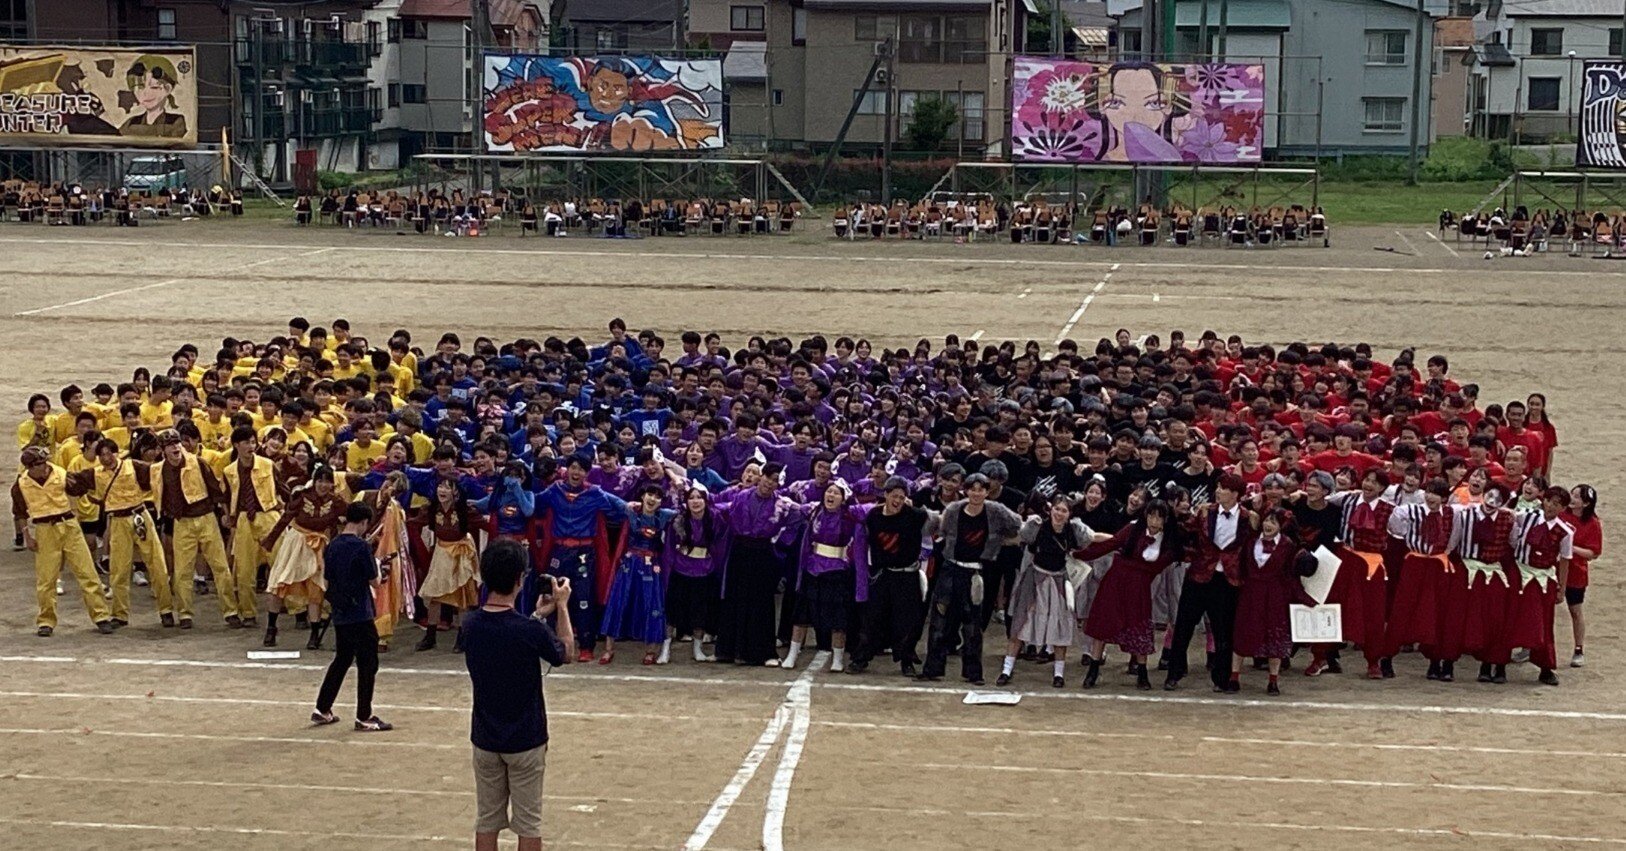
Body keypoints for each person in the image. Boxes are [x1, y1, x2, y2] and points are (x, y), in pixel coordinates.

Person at [463, 539, 573, 851]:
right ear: (519, 579)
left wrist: (538, 618)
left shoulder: (470, 625)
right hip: (526, 737)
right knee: (528, 823)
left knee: (487, 820)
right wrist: (561, 608)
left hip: (485, 735)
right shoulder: (527, 630)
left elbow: (509, 638)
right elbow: (566, 652)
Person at [918, 473, 1023, 686]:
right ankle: (932, 669)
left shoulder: (996, 511)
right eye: (972, 489)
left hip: (977, 573)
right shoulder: (954, 510)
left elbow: (1017, 525)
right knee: (939, 621)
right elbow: (939, 529)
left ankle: (973, 673)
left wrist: (1001, 541)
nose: (976, 493)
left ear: (986, 491)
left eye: (981, 489)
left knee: (973, 626)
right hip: (950, 569)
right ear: (966, 490)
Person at [12, 447, 114, 636]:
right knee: (46, 579)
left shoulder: (60, 473)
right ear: (29, 467)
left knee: (87, 573)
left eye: (44, 462)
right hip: (44, 529)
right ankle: (46, 621)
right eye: (38, 465)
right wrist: (27, 536)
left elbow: (78, 488)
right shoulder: (21, 484)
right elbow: (19, 512)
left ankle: (101, 616)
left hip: (68, 525)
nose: (44, 467)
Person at [999, 496, 1099, 688]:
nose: (1059, 514)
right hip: (1034, 579)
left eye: (1064, 511)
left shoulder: (1074, 531)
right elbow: (1017, 536)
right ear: (1050, 509)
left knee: (1061, 626)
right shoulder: (1036, 527)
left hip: (1060, 581)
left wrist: (1121, 539)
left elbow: (1094, 538)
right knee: (1020, 624)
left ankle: (1059, 673)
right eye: (1057, 509)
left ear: (1069, 514)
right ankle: (1006, 669)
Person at [311, 501, 393, 731]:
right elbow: (374, 581)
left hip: (340, 612)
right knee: (368, 663)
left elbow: (327, 579)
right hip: (360, 612)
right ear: (365, 522)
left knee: (343, 658)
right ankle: (364, 716)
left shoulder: (333, 545)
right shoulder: (361, 547)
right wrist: (380, 568)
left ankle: (322, 707)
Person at [849, 476, 932, 677]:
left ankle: (906, 661)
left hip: (907, 576)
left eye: (902, 497)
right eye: (894, 496)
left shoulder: (916, 515)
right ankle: (861, 658)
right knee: (872, 618)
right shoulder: (873, 516)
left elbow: (934, 526)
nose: (897, 501)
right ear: (885, 495)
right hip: (881, 575)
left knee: (906, 621)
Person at [598, 485, 674, 665]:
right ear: (642, 496)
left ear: (661, 502)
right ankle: (609, 649)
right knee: (618, 602)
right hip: (629, 564)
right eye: (649, 494)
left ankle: (651, 651)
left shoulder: (665, 515)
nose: (652, 499)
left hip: (652, 566)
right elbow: (605, 495)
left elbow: (687, 508)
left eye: (657, 497)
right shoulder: (631, 511)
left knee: (653, 605)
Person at [1561, 484, 1601, 668]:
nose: (1572, 498)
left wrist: (1571, 547)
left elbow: (1593, 553)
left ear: (1585, 503)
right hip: (1553, 569)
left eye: (1576, 497)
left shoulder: (1592, 523)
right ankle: (1531, 647)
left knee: (1575, 611)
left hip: (1576, 574)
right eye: (1572, 494)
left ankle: (1578, 649)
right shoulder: (1562, 514)